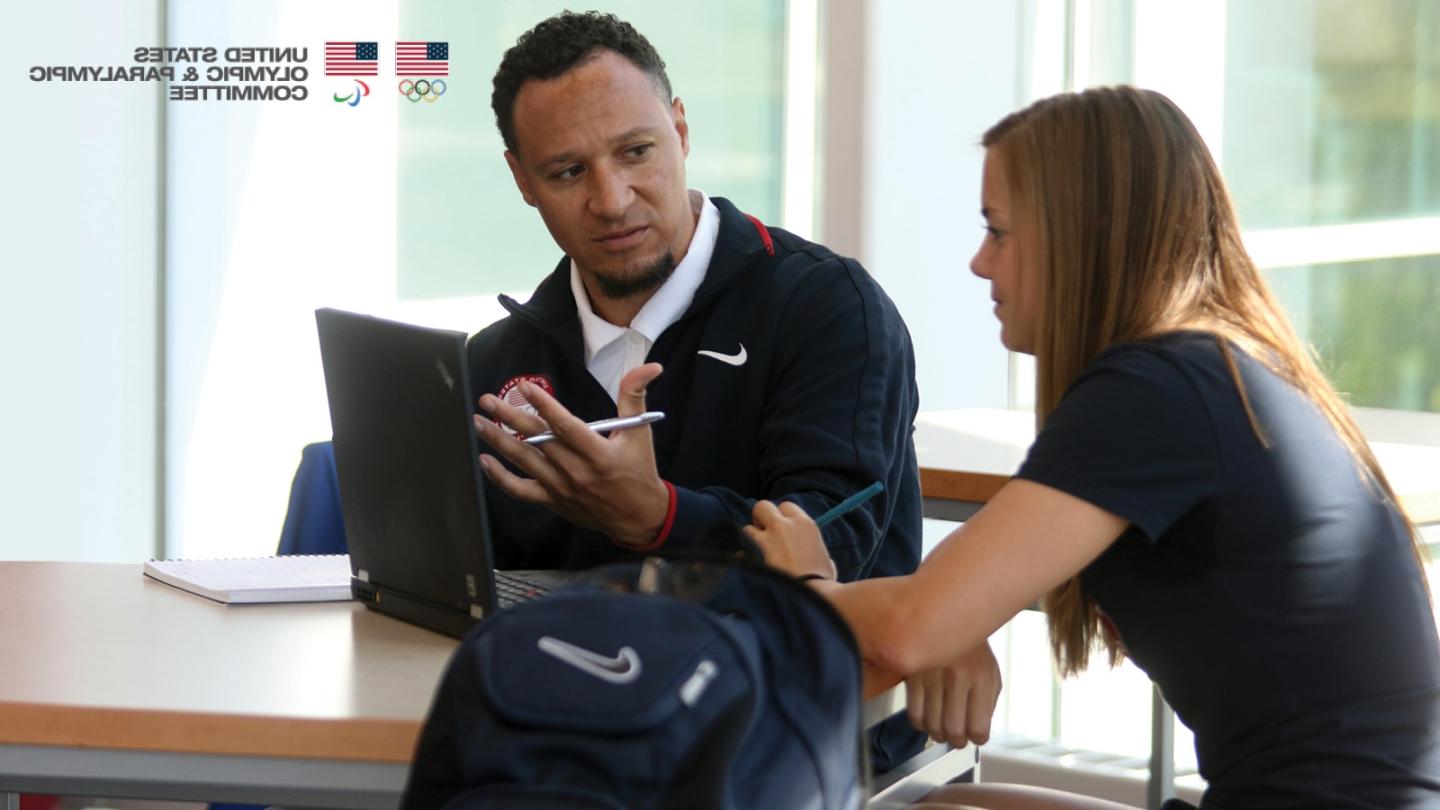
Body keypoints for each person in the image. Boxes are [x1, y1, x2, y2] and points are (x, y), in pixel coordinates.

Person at [748, 85, 1440, 809]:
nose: (980, 264)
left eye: (999, 231)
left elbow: (907, 633)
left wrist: (806, 590)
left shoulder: (1159, 388)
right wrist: (952, 617)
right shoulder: (1222, 364)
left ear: (1079, 234)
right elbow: (945, 608)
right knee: (941, 804)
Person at [467, 11, 1000, 769]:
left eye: (637, 152)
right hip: (569, 724)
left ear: (681, 130)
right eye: (567, 172)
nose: (613, 198)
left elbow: (830, 547)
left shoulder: (827, 308)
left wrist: (660, 519)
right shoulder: (499, 358)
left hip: (801, 736)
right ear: (522, 179)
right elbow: (465, 575)